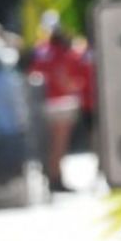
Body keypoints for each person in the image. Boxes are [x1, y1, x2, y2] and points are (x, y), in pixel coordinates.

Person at [27, 11, 91, 192]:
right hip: (61, 102)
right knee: (59, 144)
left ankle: (53, 176)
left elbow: (34, 75)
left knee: (50, 144)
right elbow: (66, 77)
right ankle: (55, 178)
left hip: (45, 102)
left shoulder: (41, 51)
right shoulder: (63, 51)